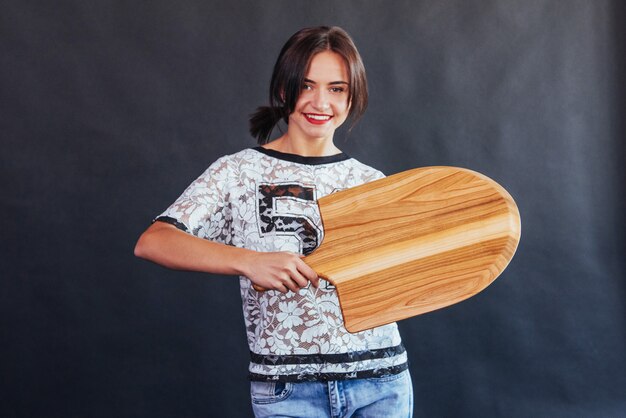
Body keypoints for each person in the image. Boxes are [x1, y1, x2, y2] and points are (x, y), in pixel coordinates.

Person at [135, 26, 413, 417]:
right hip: (286, 390)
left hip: (380, 382)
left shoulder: (371, 182)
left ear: (353, 96)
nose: (321, 102)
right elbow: (155, 241)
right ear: (284, 90)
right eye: (307, 85)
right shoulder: (238, 172)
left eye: (336, 88)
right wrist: (248, 261)